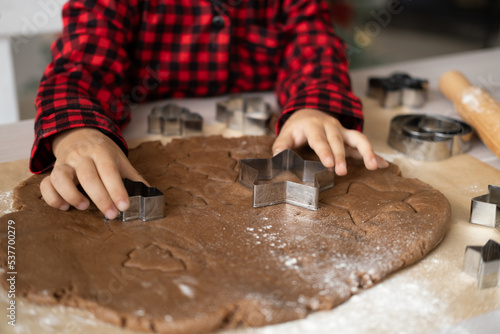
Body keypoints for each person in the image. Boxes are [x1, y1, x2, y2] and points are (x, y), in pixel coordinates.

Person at [31, 0, 388, 220]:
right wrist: (75, 133)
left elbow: (315, 45)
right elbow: (78, 69)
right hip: (144, 124)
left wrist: (314, 104)